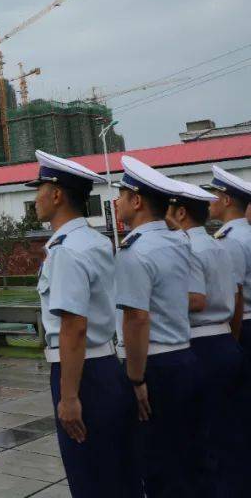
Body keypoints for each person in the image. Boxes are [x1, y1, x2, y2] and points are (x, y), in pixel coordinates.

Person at [27, 150, 138, 498]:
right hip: (105, 365)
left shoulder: (66, 249)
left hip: (82, 373)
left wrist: (69, 396)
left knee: (89, 475)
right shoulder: (94, 240)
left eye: (39, 189)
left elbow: (73, 327)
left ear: (57, 194)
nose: (35, 198)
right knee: (115, 472)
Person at [115, 155, 200, 496]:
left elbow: (136, 319)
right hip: (185, 356)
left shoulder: (134, 250)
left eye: (121, 195)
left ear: (136, 201)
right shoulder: (179, 240)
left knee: (155, 462)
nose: (116, 202)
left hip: (155, 365)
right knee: (187, 458)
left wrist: (135, 379)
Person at [168, 178, 244, 496]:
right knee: (228, 430)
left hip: (199, 343)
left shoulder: (187, 247)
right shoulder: (217, 243)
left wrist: (155, 298)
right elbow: (237, 298)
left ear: (181, 213)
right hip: (224, 340)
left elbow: (195, 300)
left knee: (200, 436)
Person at [203, 165, 251, 353]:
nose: (210, 201)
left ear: (227, 200)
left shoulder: (229, 240)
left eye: (214, 196)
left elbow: (235, 294)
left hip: (243, 324)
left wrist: (233, 338)